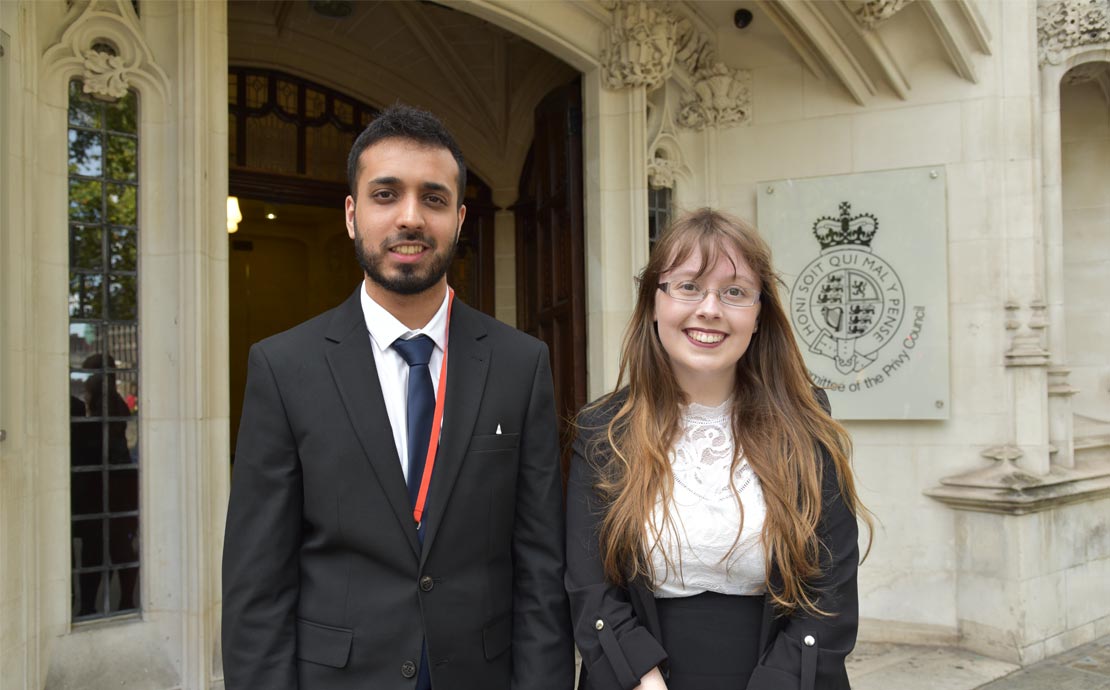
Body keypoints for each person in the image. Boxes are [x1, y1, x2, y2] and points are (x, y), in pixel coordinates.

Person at [223, 104, 573, 690]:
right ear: (352, 214)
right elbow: (257, 584)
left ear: (460, 219)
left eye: (433, 199)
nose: (410, 217)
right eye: (386, 195)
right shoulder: (284, 367)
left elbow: (541, 570)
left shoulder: (521, 364)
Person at [566, 209, 871, 690]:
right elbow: (590, 589)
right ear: (653, 303)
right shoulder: (604, 430)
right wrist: (644, 681)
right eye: (688, 286)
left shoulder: (805, 421)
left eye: (734, 292)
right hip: (638, 680)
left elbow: (831, 588)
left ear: (758, 314)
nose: (710, 308)